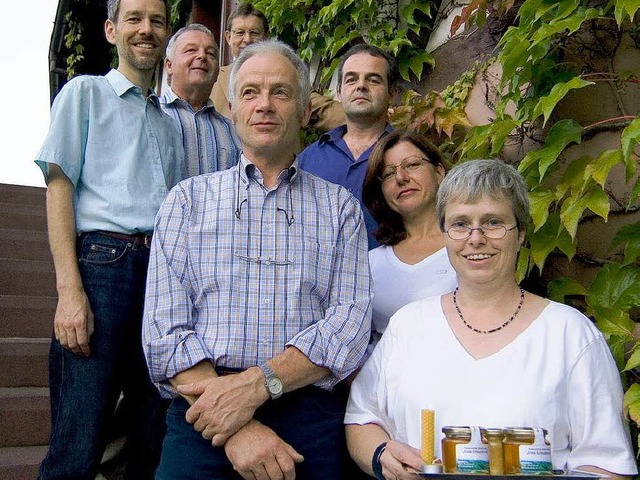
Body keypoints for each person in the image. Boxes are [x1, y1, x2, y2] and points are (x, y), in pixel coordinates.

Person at [143, 39, 372, 480]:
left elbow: (349, 324)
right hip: (202, 413)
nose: (264, 105)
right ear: (232, 110)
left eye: (280, 92)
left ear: (305, 111)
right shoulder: (186, 201)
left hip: (305, 416)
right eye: (250, 92)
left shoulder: (341, 208)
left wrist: (257, 385)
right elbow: (164, 331)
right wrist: (238, 428)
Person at [345, 159, 637, 479]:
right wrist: (381, 454)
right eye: (459, 224)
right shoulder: (408, 326)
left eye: (493, 222)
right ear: (445, 233)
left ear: (521, 233)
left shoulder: (570, 335)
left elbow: (608, 466)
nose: (476, 238)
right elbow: (362, 417)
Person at [34, 0, 184, 478]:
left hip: (160, 275)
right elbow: (60, 187)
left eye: (157, 21)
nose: (146, 29)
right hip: (103, 264)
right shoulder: (85, 93)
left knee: (149, 431)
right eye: (134, 19)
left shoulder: (168, 120)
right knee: (79, 438)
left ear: (166, 34)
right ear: (110, 29)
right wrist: (69, 291)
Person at [298, 44, 398, 249]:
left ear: (392, 93)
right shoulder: (309, 158)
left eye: (373, 79)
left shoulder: (408, 158)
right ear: (339, 93)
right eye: (351, 79)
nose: (361, 86)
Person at [362, 131, 457, 345]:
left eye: (412, 165)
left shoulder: (468, 245)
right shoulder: (371, 263)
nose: (401, 177)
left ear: (439, 172)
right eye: (388, 174)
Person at [210, 2, 345, 133]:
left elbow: (323, 110)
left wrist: (360, 119)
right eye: (240, 33)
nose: (247, 39)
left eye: (254, 33)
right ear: (228, 37)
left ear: (267, 36)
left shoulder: (286, 74)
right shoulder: (213, 79)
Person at [161, 23, 241, 176]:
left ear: (217, 71)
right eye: (191, 50)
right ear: (169, 66)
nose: (202, 56)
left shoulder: (233, 131)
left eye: (210, 53)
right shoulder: (150, 117)